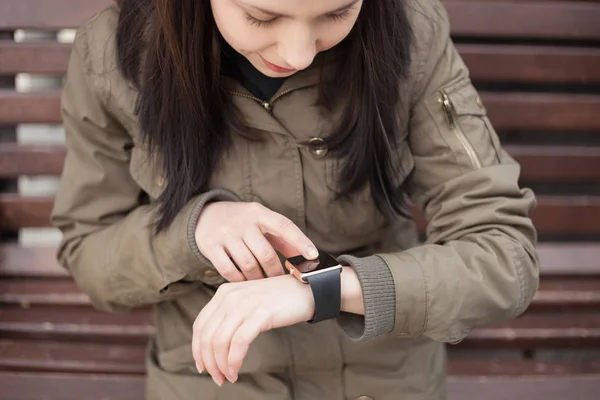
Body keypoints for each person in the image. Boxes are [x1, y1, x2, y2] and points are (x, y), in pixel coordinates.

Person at [51, 0, 540, 398]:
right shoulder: (112, 55)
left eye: (337, 13)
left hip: (384, 377)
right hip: (214, 380)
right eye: (262, 16)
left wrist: (330, 289)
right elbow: (89, 253)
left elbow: (502, 252)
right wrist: (193, 232)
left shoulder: (412, 32)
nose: (299, 51)